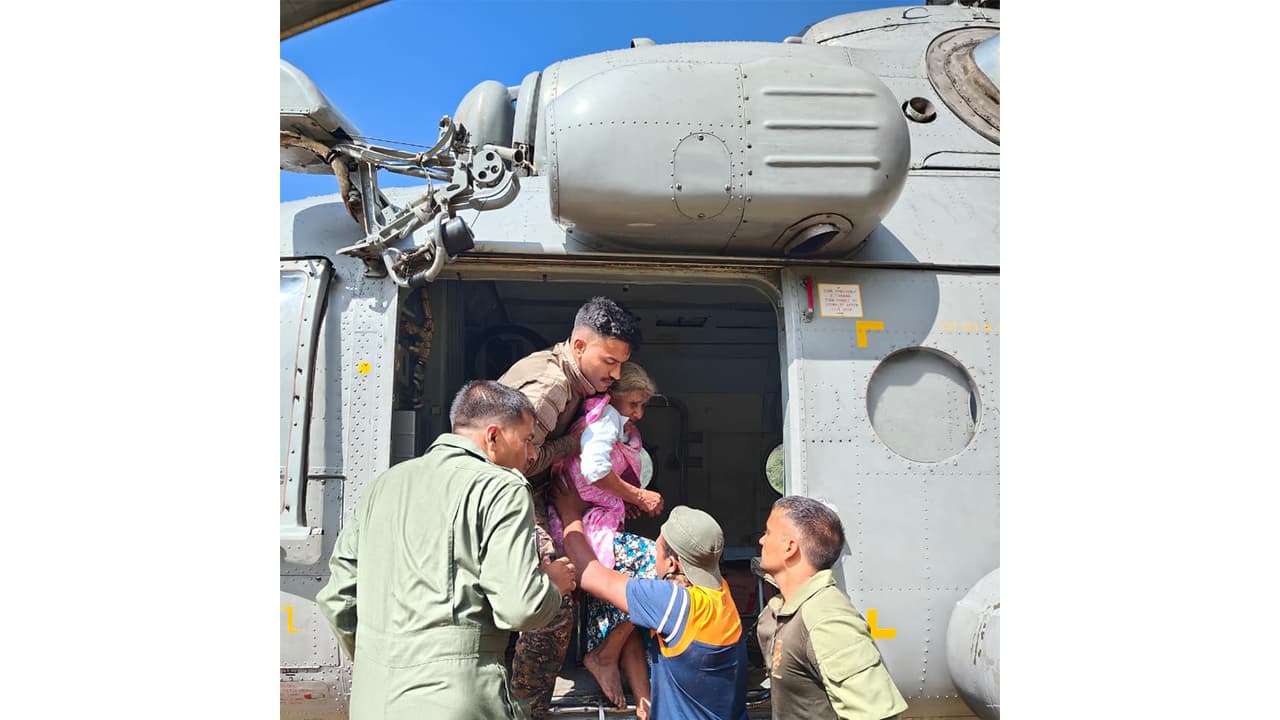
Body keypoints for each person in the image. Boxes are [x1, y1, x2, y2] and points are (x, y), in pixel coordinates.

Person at [315, 381, 578, 720]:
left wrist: (386, 663)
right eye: (527, 440)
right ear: (493, 436)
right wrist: (552, 586)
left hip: (373, 701)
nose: (531, 454)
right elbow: (520, 607)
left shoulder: (384, 485)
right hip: (457, 702)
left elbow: (336, 599)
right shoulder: (501, 487)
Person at [498, 296, 642, 718]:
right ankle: (526, 708)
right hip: (514, 494)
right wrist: (572, 445)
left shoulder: (572, 379)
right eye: (609, 361)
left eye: (621, 366)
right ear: (579, 346)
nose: (613, 375)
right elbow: (515, 460)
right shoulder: (551, 388)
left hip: (536, 491)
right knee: (554, 598)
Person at [552, 479, 750, 720]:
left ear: (671, 563)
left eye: (655, 549)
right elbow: (634, 618)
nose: (652, 554)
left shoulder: (674, 604)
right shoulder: (721, 595)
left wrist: (570, 513)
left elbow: (590, 574)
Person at [546, 361, 664, 711]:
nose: (639, 413)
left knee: (622, 603)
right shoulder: (606, 420)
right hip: (588, 525)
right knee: (656, 572)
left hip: (593, 521)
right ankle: (604, 655)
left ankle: (642, 700)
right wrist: (637, 495)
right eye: (633, 404)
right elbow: (595, 470)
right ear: (612, 397)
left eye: (642, 406)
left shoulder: (607, 418)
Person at [755, 497, 908, 720]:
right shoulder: (784, 610)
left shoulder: (826, 619)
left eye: (768, 532)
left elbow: (877, 716)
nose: (761, 540)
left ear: (790, 547)